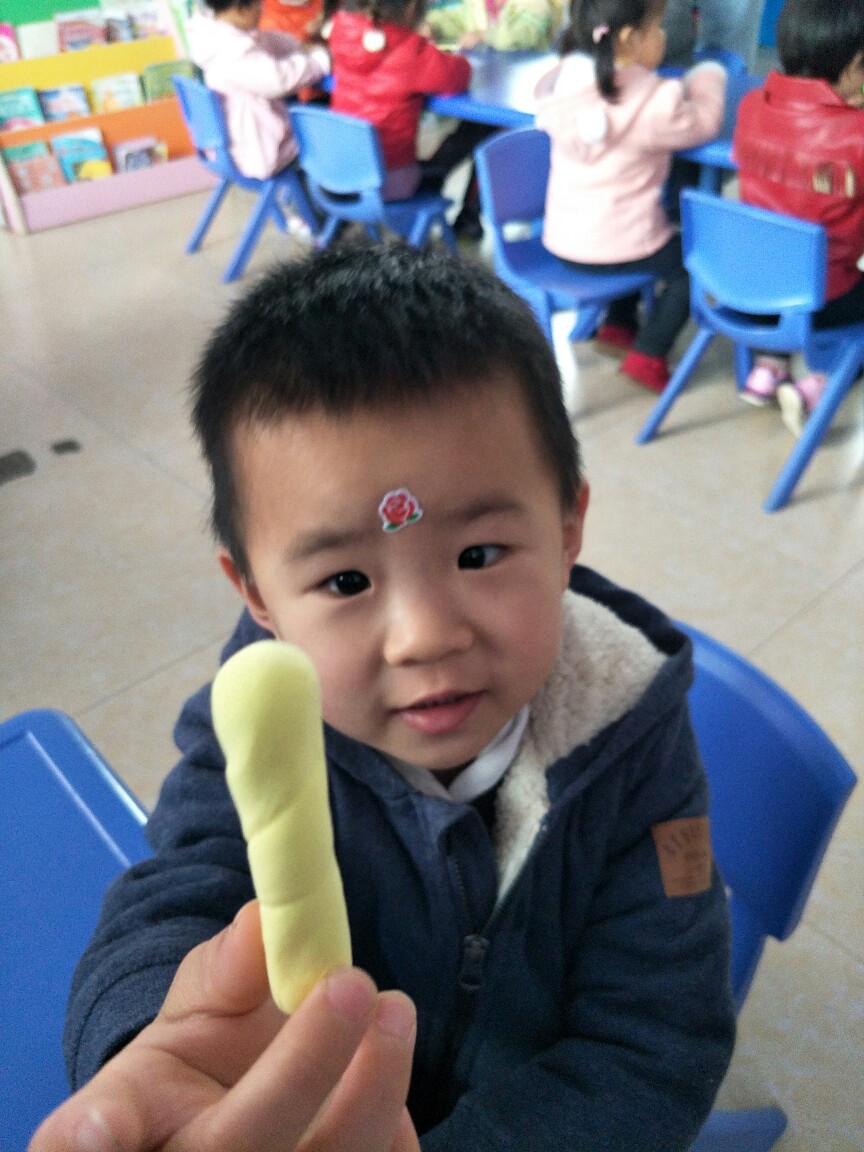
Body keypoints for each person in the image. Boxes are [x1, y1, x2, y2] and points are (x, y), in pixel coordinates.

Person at [33, 245, 735, 1152]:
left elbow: (654, 1046)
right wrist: (149, 1042)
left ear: (567, 530)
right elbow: (176, 898)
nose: (423, 637)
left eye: (478, 555)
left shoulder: (632, 741)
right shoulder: (254, 734)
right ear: (258, 595)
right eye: (345, 581)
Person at [536, 0, 726, 391]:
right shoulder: (656, 101)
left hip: (561, 243)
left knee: (631, 234)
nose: (664, 36)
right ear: (628, 38)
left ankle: (618, 325)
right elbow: (705, 122)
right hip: (618, 248)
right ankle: (649, 354)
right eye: (657, 27)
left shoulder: (563, 87)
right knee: (693, 263)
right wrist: (708, 77)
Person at [732, 0, 864, 436]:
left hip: (746, 286)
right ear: (855, 65)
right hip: (820, 297)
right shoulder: (858, 135)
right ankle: (818, 387)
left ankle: (768, 368)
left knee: (784, 239)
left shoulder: (751, 105)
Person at [326, 0, 491, 235]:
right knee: (473, 134)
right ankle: (462, 218)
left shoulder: (340, 30)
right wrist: (428, 46)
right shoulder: (411, 50)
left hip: (334, 171)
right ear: (413, 7)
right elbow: (458, 75)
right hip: (386, 180)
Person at [187, 0, 330, 181]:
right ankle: (322, 195)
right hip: (262, 151)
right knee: (332, 136)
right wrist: (320, 62)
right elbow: (279, 80)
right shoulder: (231, 51)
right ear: (239, 9)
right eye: (258, 4)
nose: (262, 9)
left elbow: (266, 40)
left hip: (241, 141)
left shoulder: (217, 32)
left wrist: (298, 46)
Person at [424, 0, 567, 51]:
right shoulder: (480, 3)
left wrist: (485, 35)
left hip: (529, 84)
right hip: (488, 84)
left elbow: (524, 33)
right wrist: (432, 24)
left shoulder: (536, 4)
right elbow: (458, 18)